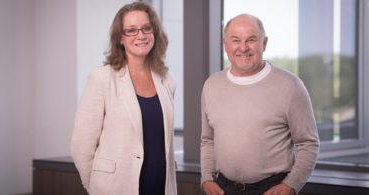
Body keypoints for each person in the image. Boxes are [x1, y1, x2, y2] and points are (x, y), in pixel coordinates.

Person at [200, 14, 320, 195]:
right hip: (224, 188)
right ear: (225, 45)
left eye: (251, 40)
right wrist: (206, 179)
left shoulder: (290, 86)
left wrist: (291, 185)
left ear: (264, 43)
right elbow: (208, 140)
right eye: (235, 40)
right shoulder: (211, 85)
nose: (243, 47)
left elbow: (308, 144)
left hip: (272, 189)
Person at [71, 2, 177, 195]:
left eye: (146, 28)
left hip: (161, 187)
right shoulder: (101, 79)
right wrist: (96, 186)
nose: (141, 35)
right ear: (120, 37)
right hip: (114, 189)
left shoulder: (167, 81)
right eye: (131, 30)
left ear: (154, 32)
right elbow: (81, 146)